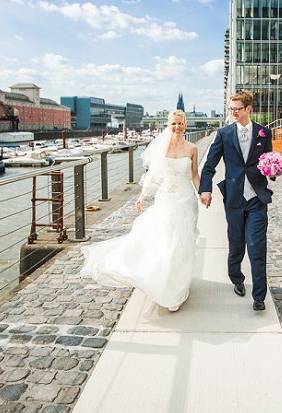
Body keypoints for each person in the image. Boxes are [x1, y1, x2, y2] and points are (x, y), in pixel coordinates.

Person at [80, 109, 200, 312]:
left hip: (187, 198)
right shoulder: (162, 148)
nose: (177, 127)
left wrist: (204, 193)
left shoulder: (192, 148)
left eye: (180, 123)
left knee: (184, 243)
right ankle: (168, 289)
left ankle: (179, 282)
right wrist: (142, 196)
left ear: (185, 124)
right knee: (169, 240)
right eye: (173, 124)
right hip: (168, 199)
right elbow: (153, 175)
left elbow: (195, 175)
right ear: (168, 125)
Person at [199, 91, 273, 312]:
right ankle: (237, 278)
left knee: (257, 247)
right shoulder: (223, 134)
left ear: (248, 109)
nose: (233, 113)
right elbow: (210, 165)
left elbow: (269, 160)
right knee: (236, 243)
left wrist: (274, 170)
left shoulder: (263, 132)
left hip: (257, 198)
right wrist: (206, 189)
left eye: (237, 109)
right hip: (233, 198)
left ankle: (259, 296)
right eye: (230, 109)